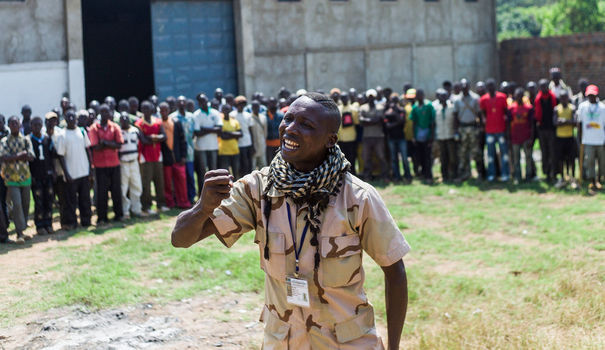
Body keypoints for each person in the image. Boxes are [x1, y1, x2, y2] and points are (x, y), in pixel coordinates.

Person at [172, 92, 409, 349]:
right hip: (284, 342)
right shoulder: (258, 189)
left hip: (346, 342)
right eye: (289, 118)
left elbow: (395, 271)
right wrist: (202, 208)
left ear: (331, 140)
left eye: (306, 125)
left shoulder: (357, 197)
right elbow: (181, 240)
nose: (290, 129)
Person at [0, 116, 34, 243]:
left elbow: (30, 156)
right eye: (12, 123)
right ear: (8, 125)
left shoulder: (26, 139)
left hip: (25, 176)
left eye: (16, 123)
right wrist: (21, 155)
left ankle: (23, 228)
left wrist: (14, 157)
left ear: (20, 124)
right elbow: (4, 157)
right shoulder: (4, 141)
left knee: (26, 204)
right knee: (17, 204)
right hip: (11, 178)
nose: (14, 125)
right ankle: (19, 233)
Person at [88, 104, 124, 225]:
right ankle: (102, 217)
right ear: (99, 113)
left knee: (116, 190)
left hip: (114, 164)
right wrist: (110, 144)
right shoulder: (94, 128)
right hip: (100, 166)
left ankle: (118, 215)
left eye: (106, 112)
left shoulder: (115, 127)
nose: (104, 114)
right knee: (102, 193)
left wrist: (104, 142)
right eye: (102, 112)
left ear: (110, 113)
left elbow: (119, 144)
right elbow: (95, 147)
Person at [136, 101, 168, 215]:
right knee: (146, 183)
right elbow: (143, 140)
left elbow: (164, 137)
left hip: (157, 155)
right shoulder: (139, 124)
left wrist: (152, 137)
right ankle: (146, 206)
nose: (146, 111)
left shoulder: (157, 122)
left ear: (151, 110)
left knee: (160, 181)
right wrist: (156, 138)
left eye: (147, 109)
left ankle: (161, 204)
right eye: (143, 109)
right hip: (145, 157)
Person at [160, 102, 190, 209]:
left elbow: (183, 140)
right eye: (161, 110)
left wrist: (183, 156)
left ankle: (183, 202)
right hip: (166, 160)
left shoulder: (176, 122)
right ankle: (170, 203)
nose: (163, 112)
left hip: (178, 159)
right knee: (167, 183)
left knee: (181, 181)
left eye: (165, 110)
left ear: (169, 110)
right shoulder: (158, 124)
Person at [28, 117, 55, 235]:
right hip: (36, 176)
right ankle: (39, 225)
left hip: (47, 175)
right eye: (35, 125)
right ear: (31, 126)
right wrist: (31, 176)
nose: (37, 127)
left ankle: (48, 223)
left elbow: (52, 156)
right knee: (38, 202)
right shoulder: (28, 140)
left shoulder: (47, 139)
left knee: (49, 200)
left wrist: (53, 171)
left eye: (39, 125)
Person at [480, 79, 511, 182]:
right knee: (490, 154)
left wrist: (507, 130)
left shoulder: (502, 97)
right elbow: (483, 114)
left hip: (501, 129)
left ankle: (505, 174)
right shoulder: (483, 99)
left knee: (504, 154)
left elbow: (506, 113)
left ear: (495, 86)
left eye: (492, 85)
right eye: (488, 86)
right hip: (489, 130)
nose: (491, 88)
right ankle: (492, 174)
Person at [577, 85, 605, 195]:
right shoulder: (582, 107)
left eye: (593, 95)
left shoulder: (603, 108)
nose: (591, 97)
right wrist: (579, 139)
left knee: (602, 163)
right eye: (589, 95)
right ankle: (592, 181)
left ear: (597, 95)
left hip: (601, 140)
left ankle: (599, 180)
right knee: (589, 162)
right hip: (587, 140)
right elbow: (579, 124)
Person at [192, 93, 222, 194]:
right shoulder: (196, 114)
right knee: (202, 172)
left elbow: (219, 129)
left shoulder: (215, 112)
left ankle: (214, 192)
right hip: (201, 148)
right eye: (201, 101)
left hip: (213, 146)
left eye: (204, 100)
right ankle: (203, 193)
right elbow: (197, 133)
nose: (203, 102)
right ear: (199, 103)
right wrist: (212, 128)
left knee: (213, 171)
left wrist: (204, 128)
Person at [454, 79, 484, 182]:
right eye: (462, 86)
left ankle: (480, 173)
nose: (464, 88)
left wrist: (480, 127)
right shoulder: (457, 99)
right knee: (463, 152)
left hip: (473, 127)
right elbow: (455, 116)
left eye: (466, 86)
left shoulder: (475, 98)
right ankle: (465, 174)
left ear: (469, 87)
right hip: (462, 128)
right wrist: (456, 131)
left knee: (476, 152)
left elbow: (479, 114)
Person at [170, 96, 196, 204]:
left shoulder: (191, 116)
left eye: (183, 101)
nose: (181, 103)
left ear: (186, 103)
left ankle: (191, 197)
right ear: (176, 104)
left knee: (190, 175)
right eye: (179, 101)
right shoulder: (172, 117)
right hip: (178, 152)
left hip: (190, 151)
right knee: (179, 177)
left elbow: (194, 132)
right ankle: (178, 198)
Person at [119, 112, 144, 219]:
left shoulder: (135, 131)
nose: (124, 120)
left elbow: (139, 145)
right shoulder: (118, 132)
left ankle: (136, 209)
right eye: (122, 119)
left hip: (134, 162)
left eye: (126, 118)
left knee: (136, 186)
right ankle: (125, 211)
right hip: (123, 163)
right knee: (123, 188)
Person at [359, 89, 388, 181]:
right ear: (367, 98)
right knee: (366, 157)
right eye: (369, 97)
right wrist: (373, 120)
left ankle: (384, 176)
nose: (371, 98)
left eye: (372, 97)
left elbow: (379, 120)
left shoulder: (380, 107)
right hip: (367, 136)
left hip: (378, 136)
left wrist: (367, 120)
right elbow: (361, 121)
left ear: (375, 97)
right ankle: (367, 176)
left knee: (381, 156)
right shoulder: (363, 107)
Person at [508, 88, 534, 184]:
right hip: (515, 137)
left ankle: (528, 176)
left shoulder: (529, 108)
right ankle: (517, 177)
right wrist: (509, 137)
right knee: (516, 158)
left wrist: (531, 138)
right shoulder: (511, 108)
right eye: (517, 96)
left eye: (520, 96)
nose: (518, 98)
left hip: (526, 137)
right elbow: (508, 124)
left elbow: (532, 124)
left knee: (528, 157)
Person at [410, 89, 436, 183]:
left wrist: (431, 136)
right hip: (418, 135)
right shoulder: (415, 107)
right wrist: (413, 136)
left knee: (427, 156)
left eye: (420, 94)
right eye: (417, 95)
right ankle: (423, 174)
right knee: (420, 157)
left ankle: (429, 175)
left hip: (427, 134)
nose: (419, 96)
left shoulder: (429, 105)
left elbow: (432, 122)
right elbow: (413, 122)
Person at [384, 93, 411, 183]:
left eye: (396, 100)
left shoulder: (401, 110)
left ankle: (407, 176)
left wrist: (395, 113)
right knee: (394, 159)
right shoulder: (387, 111)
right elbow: (387, 125)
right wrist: (397, 122)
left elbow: (402, 121)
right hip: (391, 138)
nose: (394, 103)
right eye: (393, 101)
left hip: (401, 137)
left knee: (404, 158)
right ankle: (397, 176)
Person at [535, 79, 558, 182]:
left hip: (551, 130)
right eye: (541, 86)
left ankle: (554, 173)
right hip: (542, 130)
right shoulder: (538, 99)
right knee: (544, 152)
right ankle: (546, 173)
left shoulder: (553, 98)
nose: (543, 88)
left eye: (545, 86)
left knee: (553, 152)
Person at [554, 91, 577, 189]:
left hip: (570, 137)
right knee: (560, 159)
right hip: (560, 138)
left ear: (568, 98)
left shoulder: (572, 108)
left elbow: (574, 122)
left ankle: (572, 178)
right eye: (562, 98)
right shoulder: (556, 109)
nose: (564, 100)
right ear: (560, 98)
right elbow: (555, 122)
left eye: (565, 98)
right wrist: (568, 122)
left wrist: (564, 121)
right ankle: (562, 178)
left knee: (571, 159)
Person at [433, 89, 457, 182]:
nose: (442, 98)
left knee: (452, 157)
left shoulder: (452, 107)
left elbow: (455, 121)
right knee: (443, 158)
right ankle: (444, 175)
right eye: (441, 96)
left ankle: (453, 175)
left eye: (444, 96)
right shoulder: (436, 108)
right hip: (440, 136)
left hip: (450, 136)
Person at [231, 96, 254, 178]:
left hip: (247, 142)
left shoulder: (248, 115)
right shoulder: (232, 115)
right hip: (237, 144)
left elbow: (250, 130)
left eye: (243, 104)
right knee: (240, 164)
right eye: (239, 104)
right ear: (236, 105)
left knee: (248, 163)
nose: (241, 106)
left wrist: (253, 145)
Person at [337, 93, 359, 175]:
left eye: (345, 98)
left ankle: (353, 172)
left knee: (352, 156)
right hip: (341, 138)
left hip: (351, 137)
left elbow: (357, 122)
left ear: (348, 98)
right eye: (342, 98)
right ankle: (344, 173)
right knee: (342, 157)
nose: (344, 100)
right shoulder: (338, 109)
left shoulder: (353, 110)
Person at [218, 104, 242, 177]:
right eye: (225, 110)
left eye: (228, 109)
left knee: (236, 172)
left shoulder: (235, 121)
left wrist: (228, 133)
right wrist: (234, 134)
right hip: (224, 152)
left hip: (235, 150)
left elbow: (240, 134)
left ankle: (236, 187)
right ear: (222, 111)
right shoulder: (220, 122)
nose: (226, 111)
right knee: (225, 173)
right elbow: (223, 136)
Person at [249, 100, 268, 170]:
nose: (256, 108)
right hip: (253, 146)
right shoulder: (249, 118)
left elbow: (265, 132)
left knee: (263, 165)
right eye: (254, 107)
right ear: (252, 108)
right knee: (253, 167)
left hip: (262, 145)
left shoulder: (263, 118)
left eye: (257, 107)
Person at [265, 97, 283, 165]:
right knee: (269, 163)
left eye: (274, 103)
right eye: (271, 103)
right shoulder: (264, 115)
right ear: (268, 104)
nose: (273, 105)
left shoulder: (281, 115)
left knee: (279, 163)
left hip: (278, 144)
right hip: (268, 144)